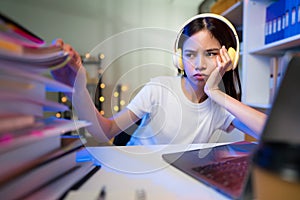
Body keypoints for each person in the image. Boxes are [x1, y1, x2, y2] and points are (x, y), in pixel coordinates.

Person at [51, 14, 267, 145]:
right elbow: (104, 132)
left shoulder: (219, 105)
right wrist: (78, 86)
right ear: (179, 59)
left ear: (229, 57)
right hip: (136, 171)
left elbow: (268, 133)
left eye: (210, 54)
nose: (199, 65)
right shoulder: (158, 89)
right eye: (190, 54)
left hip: (177, 181)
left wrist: (216, 92)